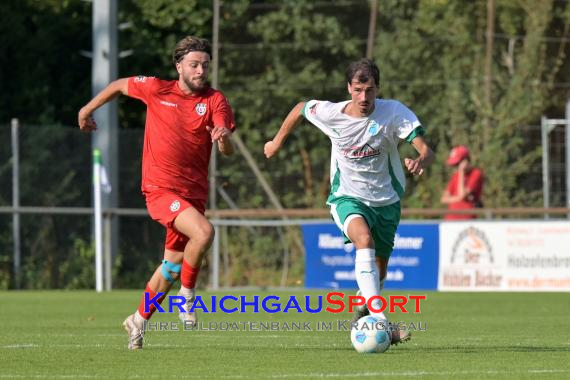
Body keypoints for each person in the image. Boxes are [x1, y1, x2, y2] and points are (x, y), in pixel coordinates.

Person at [78, 36, 235, 350]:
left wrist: (222, 138)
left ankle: (137, 320)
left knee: (172, 266)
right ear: (179, 66)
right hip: (160, 189)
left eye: (205, 64)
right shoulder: (157, 89)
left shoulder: (215, 100)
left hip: (193, 196)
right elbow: (120, 84)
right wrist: (87, 109)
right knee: (204, 233)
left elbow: (227, 147)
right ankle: (187, 298)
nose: (200, 70)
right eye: (194, 64)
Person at [264, 58, 434, 345]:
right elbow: (300, 108)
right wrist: (277, 141)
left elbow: (426, 149)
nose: (363, 97)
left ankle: (362, 309)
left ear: (378, 88)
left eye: (369, 90)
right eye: (357, 90)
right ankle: (382, 323)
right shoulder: (332, 113)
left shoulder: (393, 112)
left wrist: (420, 161)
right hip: (347, 197)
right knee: (363, 240)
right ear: (348, 88)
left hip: (386, 201)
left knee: (378, 272)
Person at [440, 145, 484, 220]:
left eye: (457, 164)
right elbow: (444, 199)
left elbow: (462, 194)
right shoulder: (455, 176)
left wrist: (461, 172)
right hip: (451, 219)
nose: (456, 167)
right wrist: (458, 198)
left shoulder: (476, 174)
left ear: (465, 161)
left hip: (467, 219)